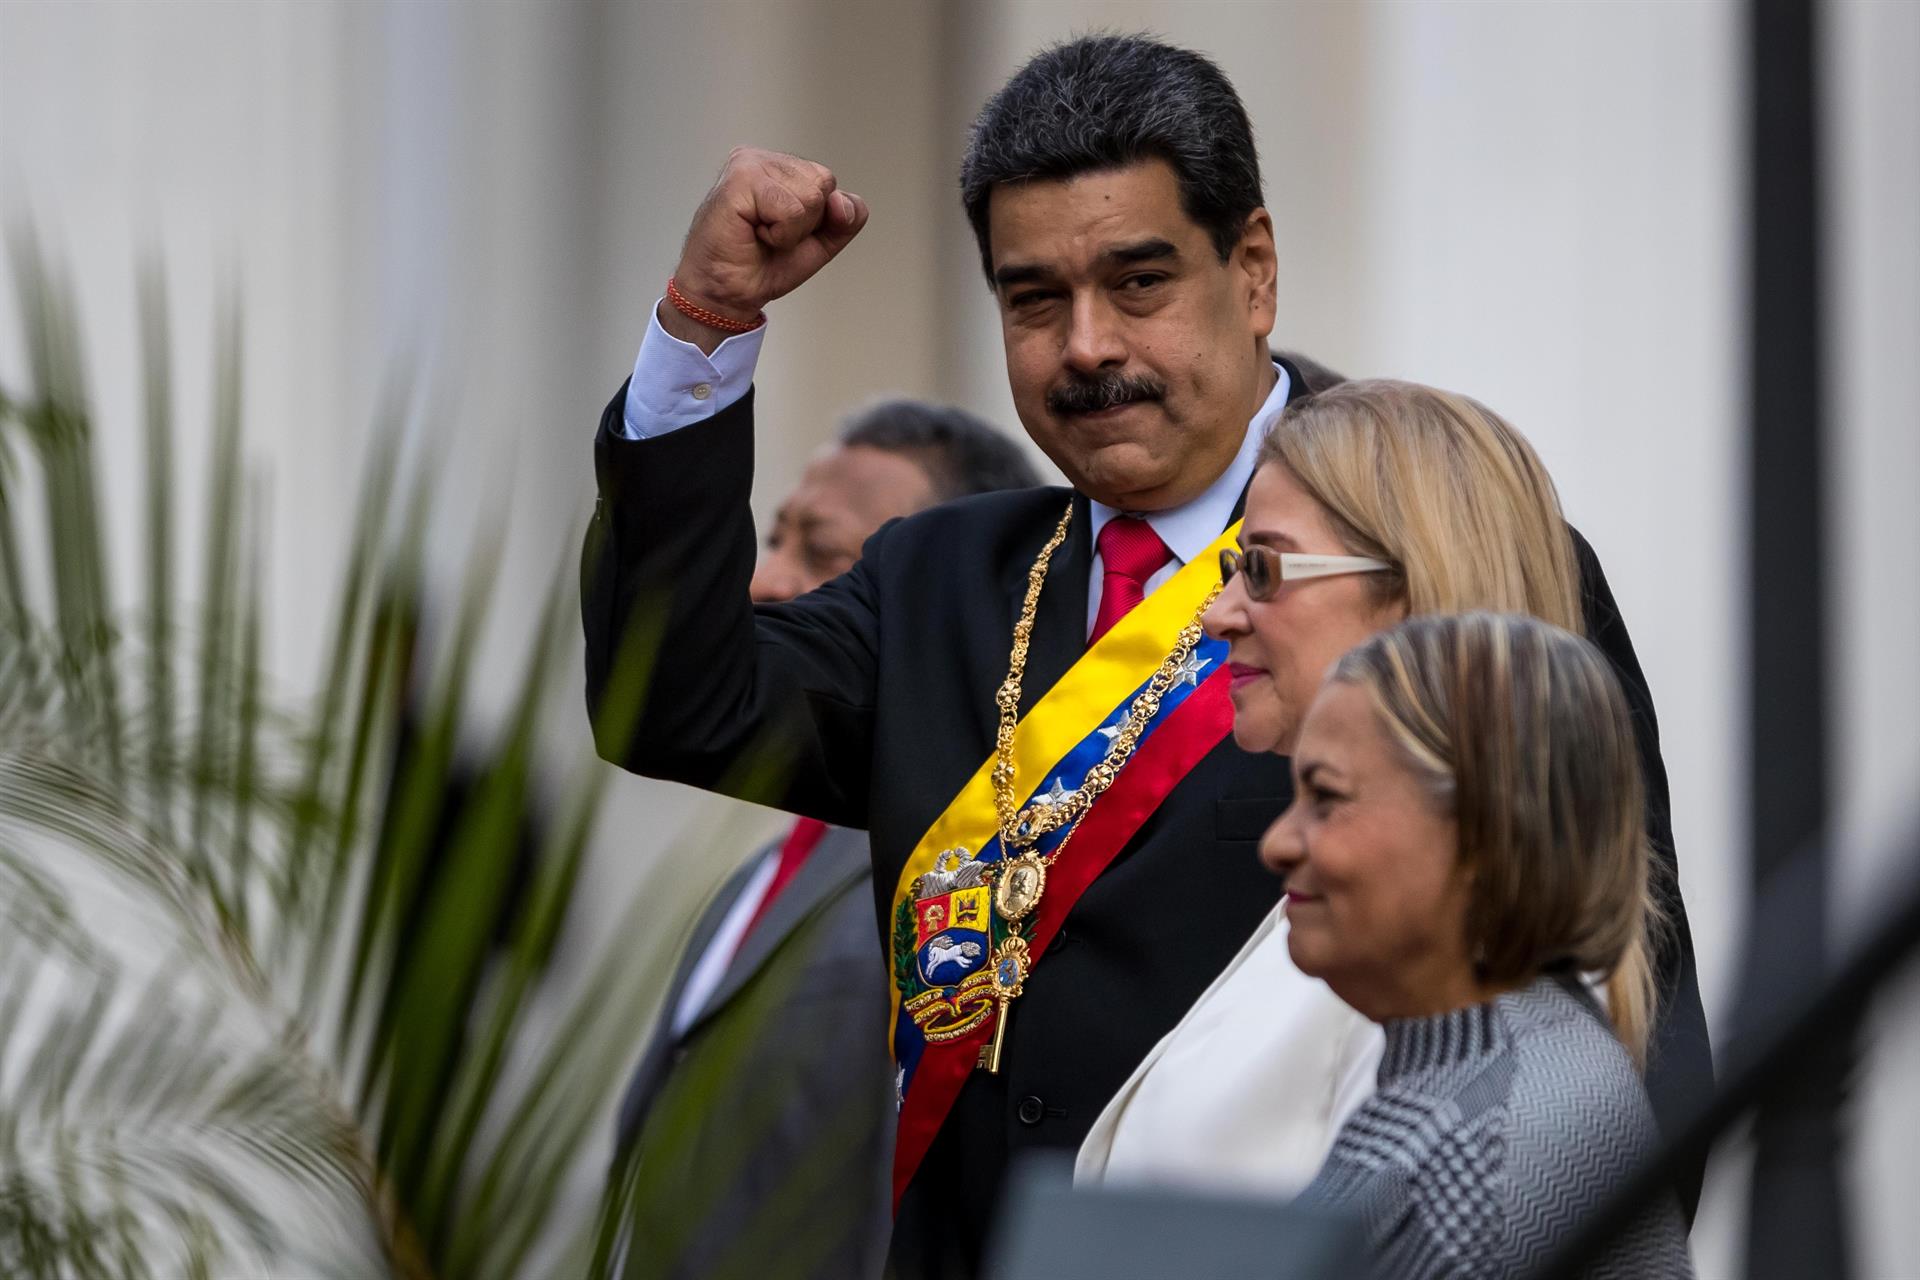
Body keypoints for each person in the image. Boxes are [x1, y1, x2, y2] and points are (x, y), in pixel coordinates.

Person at [580, 33, 1704, 1276]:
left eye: (1139, 281)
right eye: (1034, 300)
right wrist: (706, 323)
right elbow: (671, 699)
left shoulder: (1434, 550)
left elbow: (1620, 1013)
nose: (1087, 346)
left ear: (1253, 270)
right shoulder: (936, 579)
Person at [604, 401, 1037, 1280]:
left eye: (825, 555)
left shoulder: (959, 888)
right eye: (775, 538)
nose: (764, 580)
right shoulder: (767, 871)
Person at [1283, 611, 1694, 1278]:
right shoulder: (1515, 1063)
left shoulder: (1469, 1151)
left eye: (1326, 798)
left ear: (1484, 833)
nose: (1278, 843)